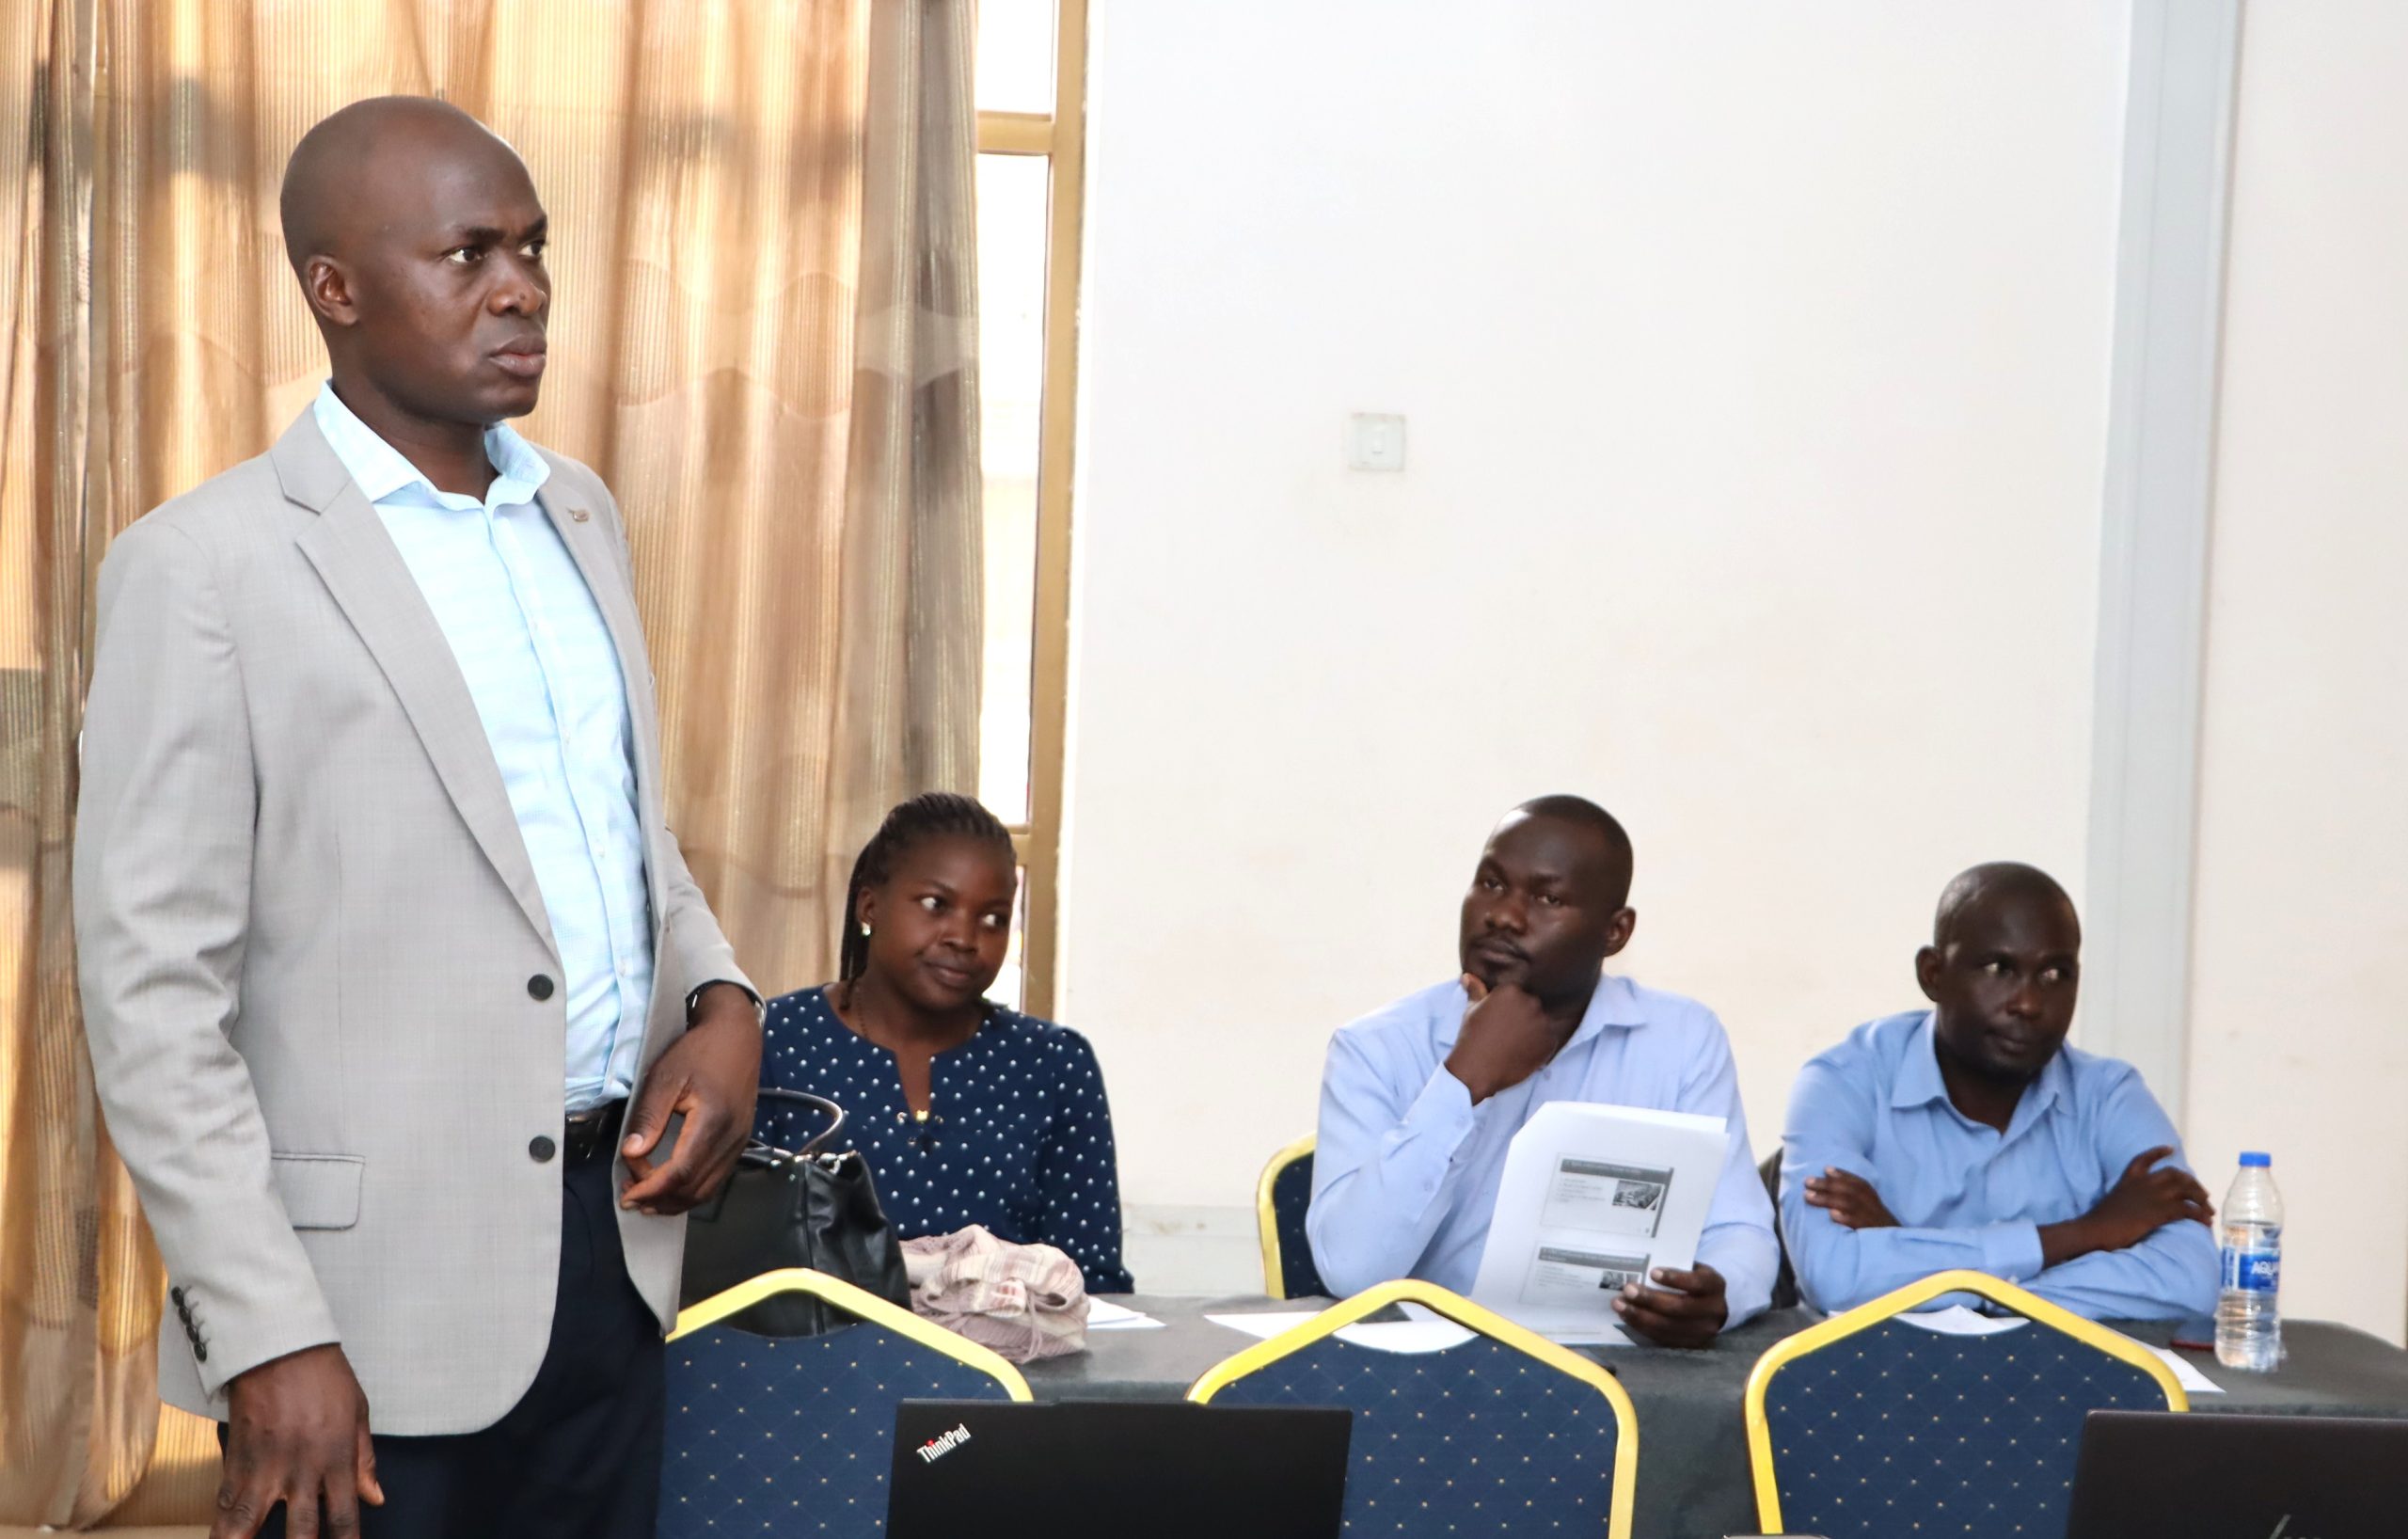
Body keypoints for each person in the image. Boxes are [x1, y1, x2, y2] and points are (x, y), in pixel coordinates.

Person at [72, 98, 764, 1538]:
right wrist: (267, 1332)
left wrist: (723, 995)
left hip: (614, 1257)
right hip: (357, 1319)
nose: (520, 288)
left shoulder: (580, 516)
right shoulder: (203, 570)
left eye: (531, 248)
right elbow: (150, 1000)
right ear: (335, 290)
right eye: (466, 255)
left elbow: (628, 835)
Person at [1306, 796, 1779, 1347]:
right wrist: (1461, 1082)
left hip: (1623, 1361)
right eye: (1490, 883)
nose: (1502, 915)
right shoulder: (1376, 1047)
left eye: (1548, 897)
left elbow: (1739, 1231)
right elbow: (1351, 1271)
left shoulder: (1680, 1040)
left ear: (1615, 933)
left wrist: (1718, 1295)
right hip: (1431, 1376)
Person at [1780, 862, 2219, 1320]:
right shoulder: (1844, 1081)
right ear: (1932, 974)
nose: (2028, 1003)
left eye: (2054, 974)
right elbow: (1836, 1277)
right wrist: (2083, 1235)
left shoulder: (2110, 1096)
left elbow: (2191, 1283)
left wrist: (1914, 1260)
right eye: (1998, 968)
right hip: (1876, 1381)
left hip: (2060, 1385)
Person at [756, 793, 1133, 1293]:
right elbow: (731, 1264)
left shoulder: (1055, 1063)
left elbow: (1090, 1280)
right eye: (937, 905)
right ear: (870, 905)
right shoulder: (774, 1040)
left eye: (993, 918)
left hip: (1013, 1362)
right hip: (811, 1360)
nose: (965, 937)